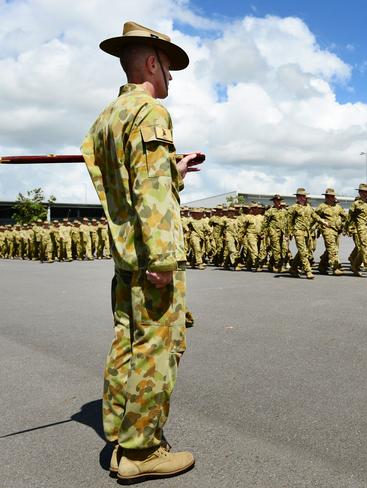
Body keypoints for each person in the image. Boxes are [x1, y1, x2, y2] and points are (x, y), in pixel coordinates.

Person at [81, 21, 203, 481]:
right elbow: (150, 192)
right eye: (169, 68)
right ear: (152, 62)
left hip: (126, 254)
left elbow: (123, 186)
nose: (170, 77)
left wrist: (176, 168)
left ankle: (119, 428)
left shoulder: (106, 117)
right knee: (157, 346)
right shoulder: (150, 113)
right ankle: (141, 450)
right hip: (151, 256)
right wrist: (164, 259)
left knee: (126, 340)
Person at [315, 188, 346, 275]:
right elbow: (314, 216)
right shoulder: (322, 206)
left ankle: (322, 266)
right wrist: (320, 224)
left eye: (332, 196)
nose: (330, 198)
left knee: (330, 249)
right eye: (328, 196)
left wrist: (343, 224)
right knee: (332, 249)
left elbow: (346, 217)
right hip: (327, 230)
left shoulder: (338, 207)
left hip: (336, 230)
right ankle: (335, 268)